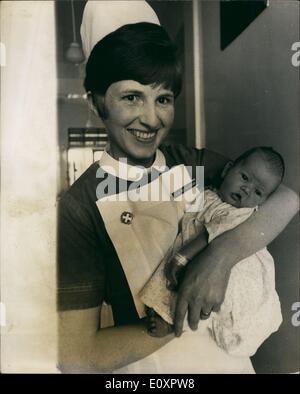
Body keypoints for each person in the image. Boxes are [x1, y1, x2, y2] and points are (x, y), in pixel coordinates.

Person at [58, 1, 299, 373]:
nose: (151, 119)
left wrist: (218, 258)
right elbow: (76, 356)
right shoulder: (80, 206)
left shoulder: (188, 162)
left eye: (163, 98)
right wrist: (174, 319)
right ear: (96, 103)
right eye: (131, 96)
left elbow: (285, 198)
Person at [141, 147, 284, 358]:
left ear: (262, 202)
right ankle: (170, 315)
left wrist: (182, 257)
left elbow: (211, 233)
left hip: (232, 263)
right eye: (244, 177)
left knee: (199, 283)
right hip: (201, 253)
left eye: (258, 192)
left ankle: (174, 319)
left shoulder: (242, 213)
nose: (246, 190)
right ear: (227, 170)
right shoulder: (208, 194)